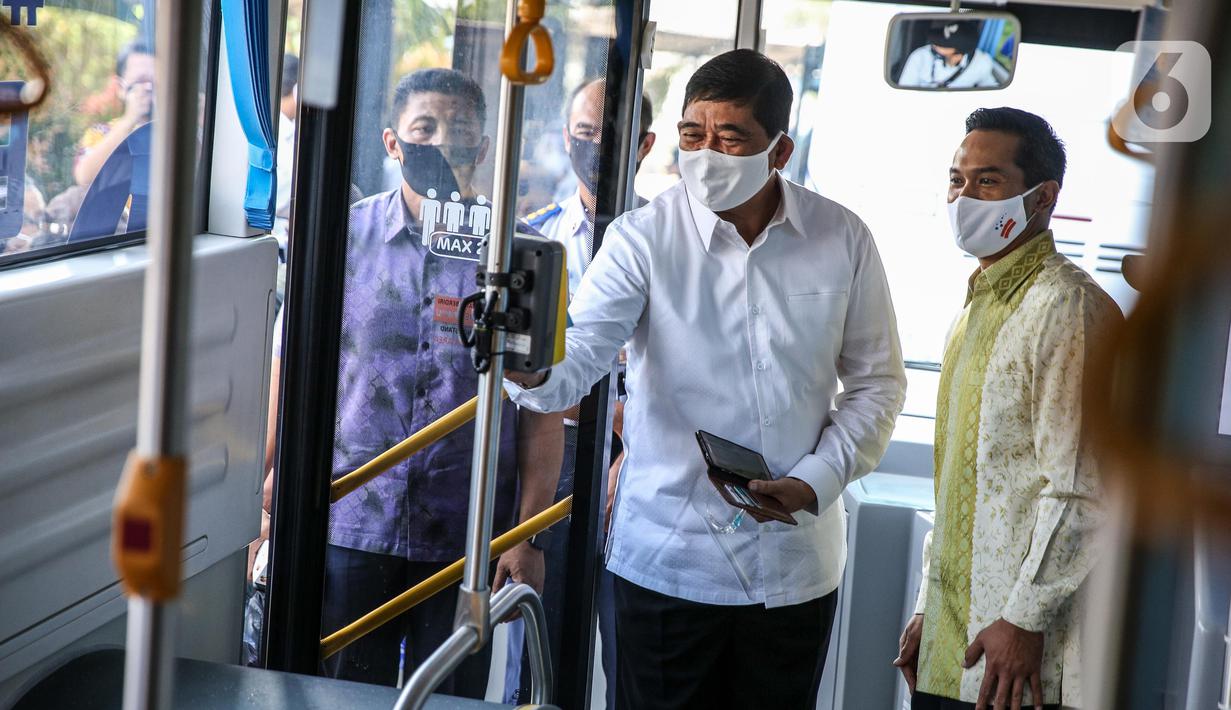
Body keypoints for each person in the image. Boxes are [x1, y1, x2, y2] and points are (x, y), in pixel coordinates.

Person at [506, 49, 906, 709]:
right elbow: (582, 354)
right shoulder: (641, 239)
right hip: (667, 559)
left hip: (792, 563)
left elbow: (877, 384)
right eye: (693, 135)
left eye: (730, 138)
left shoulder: (841, 238)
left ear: (778, 151)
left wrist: (817, 478)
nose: (706, 153)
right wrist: (531, 370)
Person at [269, 68, 564, 694]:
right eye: (423, 128)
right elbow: (289, 366)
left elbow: (543, 408)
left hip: (467, 527)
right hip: (350, 513)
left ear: (483, 148)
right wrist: (267, 495)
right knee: (341, 691)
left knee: (451, 696)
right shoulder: (340, 239)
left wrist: (527, 534)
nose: (441, 142)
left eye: (459, 131)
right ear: (391, 142)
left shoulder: (522, 252)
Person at [893, 107, 1121, 710]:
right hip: (956, 641)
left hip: (1019, 663)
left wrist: (1023, 620)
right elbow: (959, 485)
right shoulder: (972, 313)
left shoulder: (1067, 310)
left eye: (987, 181)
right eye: (956, 180)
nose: (964, 197)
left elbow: (1082, 488)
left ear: (1043, 197)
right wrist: (927, 612)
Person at [503, 78, 656, 706]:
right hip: (554, 459)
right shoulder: (535, 241)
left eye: (610, 135)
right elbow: (526, 377)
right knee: (540, 666)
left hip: (641, 461)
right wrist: (522, 531)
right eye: (584, 132)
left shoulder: (666, 242)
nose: (594, 146)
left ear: (643, 145)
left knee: (635, 656)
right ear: (566, 137)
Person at [74, 42, 154, 189]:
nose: (148, 88)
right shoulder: (101, 133)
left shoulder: (173, 133)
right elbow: (84, 176)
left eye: (154, 82)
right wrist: (130, 120)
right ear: (121, 87)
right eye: (141, 81)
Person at [898, 21, 1005, 89]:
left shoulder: (982, 61)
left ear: (958, 52)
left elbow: (990, 87)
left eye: (942, 44)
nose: (935, 44)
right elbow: (905, 89)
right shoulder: (919, 56)